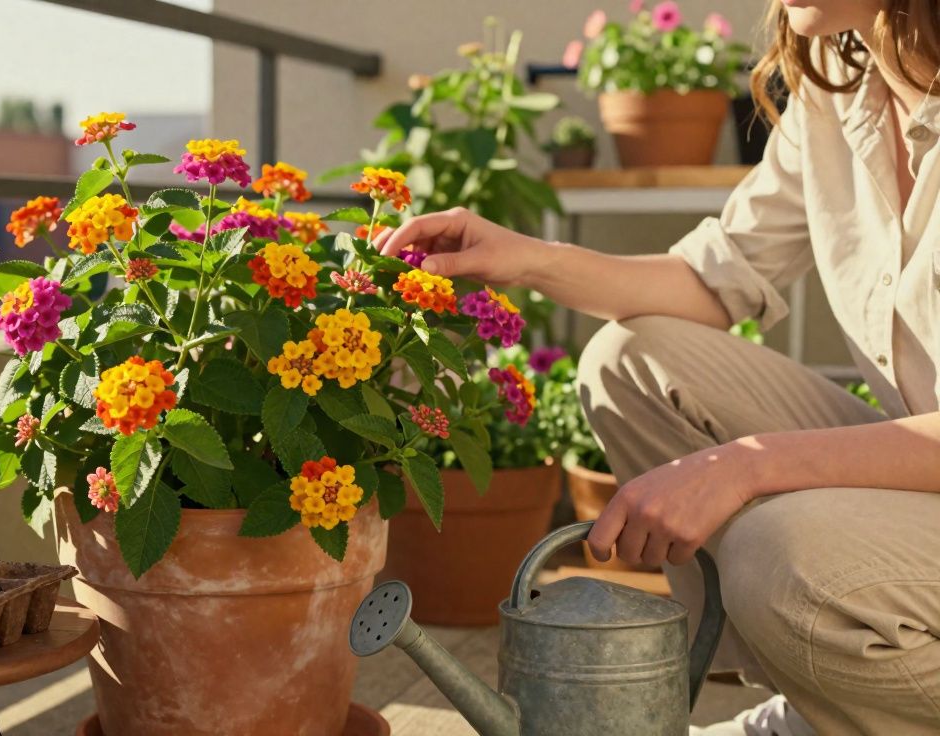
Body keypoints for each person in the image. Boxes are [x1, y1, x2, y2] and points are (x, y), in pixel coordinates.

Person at [375, 0, 940, 733]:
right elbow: (714, 279)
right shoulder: (840, 76)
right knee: (632, 361)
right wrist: (528, 259)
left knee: (780, 556)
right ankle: (827, 694)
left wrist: (747, 465)